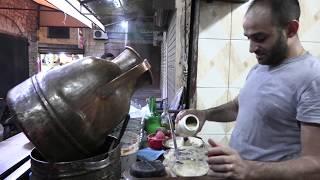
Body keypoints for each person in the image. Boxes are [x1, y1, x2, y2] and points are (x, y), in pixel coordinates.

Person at [175, 0, 320, 179]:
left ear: (291, 29)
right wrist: (204, 114)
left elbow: (315, 164)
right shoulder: (261, 68)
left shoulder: (313, 77)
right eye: (248, 38)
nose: (251, 48)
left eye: (259, 38)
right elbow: (239, 106)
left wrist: (249, 169)